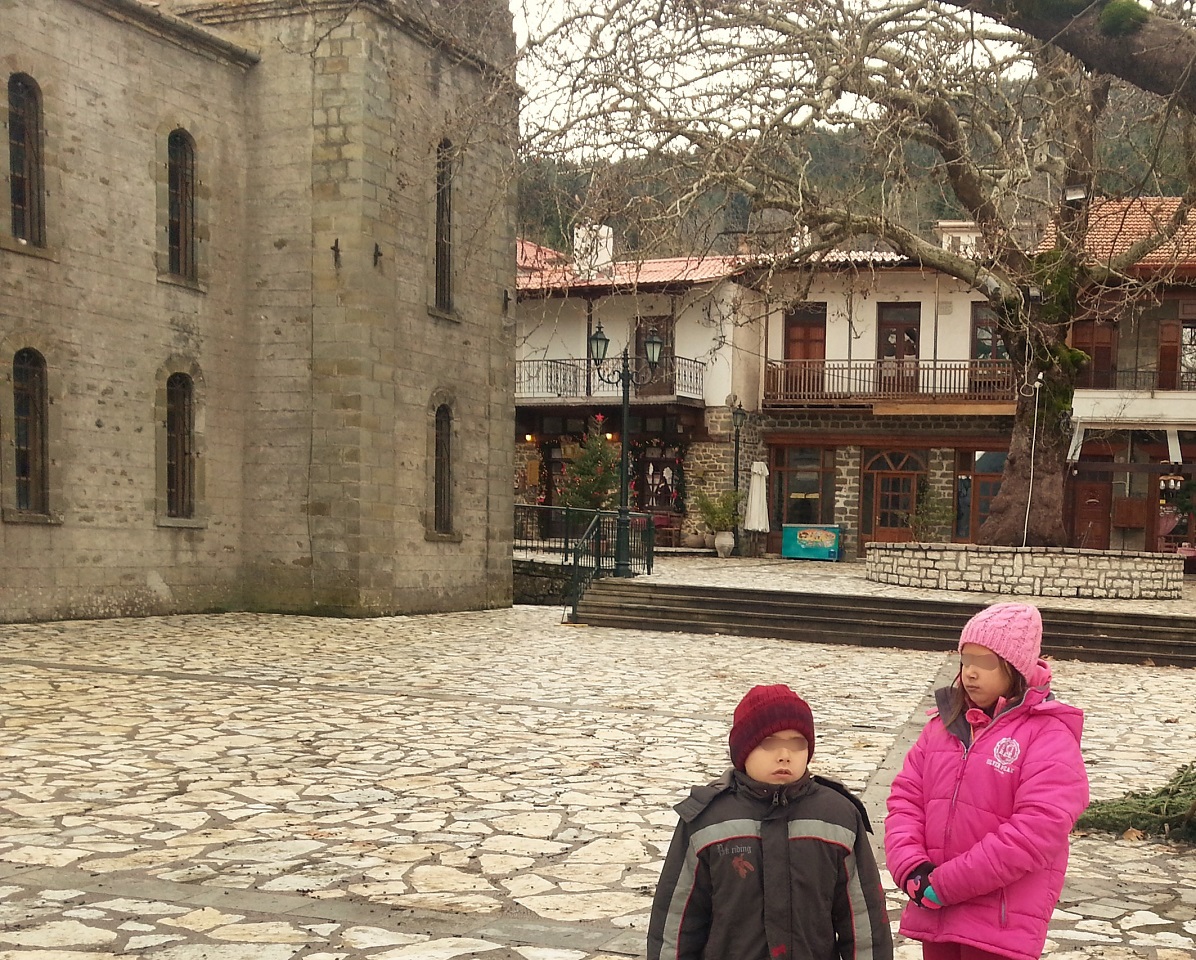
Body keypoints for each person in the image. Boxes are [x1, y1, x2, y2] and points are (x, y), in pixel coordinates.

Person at [885, 602, 1090, 960]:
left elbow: (1037, 830)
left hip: (999, 926)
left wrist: (947, 884)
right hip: (935, 911)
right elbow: (905, 799)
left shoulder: (1049, 736)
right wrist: (910, 867)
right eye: (966, 660)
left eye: (986, 662)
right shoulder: (941, 728)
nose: (971, 672)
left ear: (1015, 667)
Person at [647, 684, 893, 960]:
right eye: (769, 743)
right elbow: (676, 921)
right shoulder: (707, 820)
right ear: (744, 750)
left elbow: (864, 920)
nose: (784, 754)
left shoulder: (839, 816)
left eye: (797, 744)